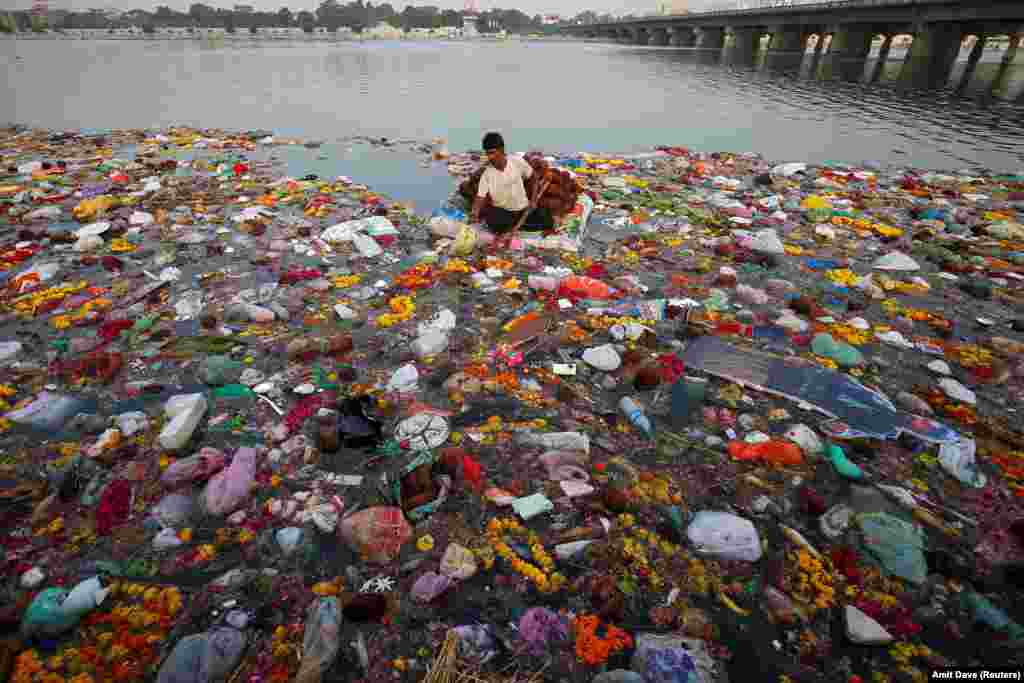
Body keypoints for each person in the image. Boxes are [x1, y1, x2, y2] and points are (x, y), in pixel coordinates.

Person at [469, 131, 554, 236]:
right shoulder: (487, 174)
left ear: (501, 150)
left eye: (492, 152)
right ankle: (518, 226)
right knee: (493, 220)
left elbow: (534, 178)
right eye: (487, 153)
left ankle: (520, 225)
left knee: (546, 217)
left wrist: (533, 200)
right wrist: (474, 212)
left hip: (523, 210)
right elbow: (480, 198)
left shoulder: (517, 162)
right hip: (505, 214)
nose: (490, 157)